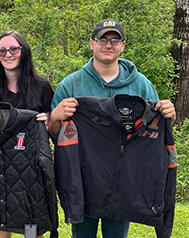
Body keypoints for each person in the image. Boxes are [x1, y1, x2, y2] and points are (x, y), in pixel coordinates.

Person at [48, 19, 176, 238]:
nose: (108, 45)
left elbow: (153, 129)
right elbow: (55, 134)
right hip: (84, 176)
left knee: (117, 234)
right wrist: (56, 117)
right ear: (91, 43)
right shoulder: (71, 85)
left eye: (114, 40)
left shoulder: (141, 85)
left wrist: (168, 117)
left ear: (123, 45)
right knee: (82, 234)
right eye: (102, 40)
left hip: (124, 179)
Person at [0, 30, 54, 238]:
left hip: (31, 168)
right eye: (2, 51)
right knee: (2, 222)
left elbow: (52, 126)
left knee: (32, 224)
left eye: (14, 49)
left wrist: (48, 121)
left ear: (23, 51)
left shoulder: (41, 86)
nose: (8, 54)